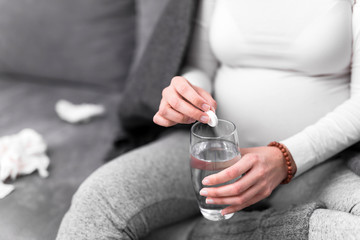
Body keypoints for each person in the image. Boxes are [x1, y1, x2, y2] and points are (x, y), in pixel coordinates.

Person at [57, 0, 360, 239]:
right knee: (98, 203)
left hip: (315, 162)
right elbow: (199, 67)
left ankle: (190, 235)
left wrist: (285, 159)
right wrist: (187, 90)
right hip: (210, 151)